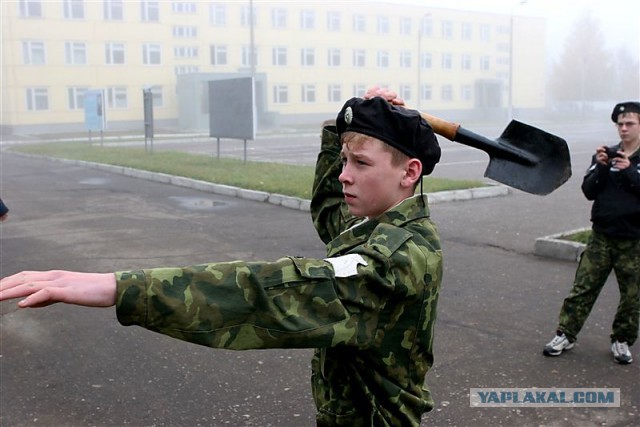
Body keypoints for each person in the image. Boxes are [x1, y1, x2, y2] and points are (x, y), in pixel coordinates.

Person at [0, 92, 443, 426]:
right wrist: (341, 130)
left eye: (361, 164)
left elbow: (269, 292)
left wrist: (123, 286)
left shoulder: (398, 259)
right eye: (343, 161)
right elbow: (331, 207)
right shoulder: (370, 224)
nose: (344, 174)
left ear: (409, 173)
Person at [543, 101, 640, 364]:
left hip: (633, 240)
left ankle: (622, 340)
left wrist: (630, 171)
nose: (623, 128)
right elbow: (588, 191)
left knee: (632, 294)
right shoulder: (606, 155)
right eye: (620, 124)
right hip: (601, 236)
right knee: (582, 288)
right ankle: (566, 334)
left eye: (629, 123)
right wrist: (600, 167)